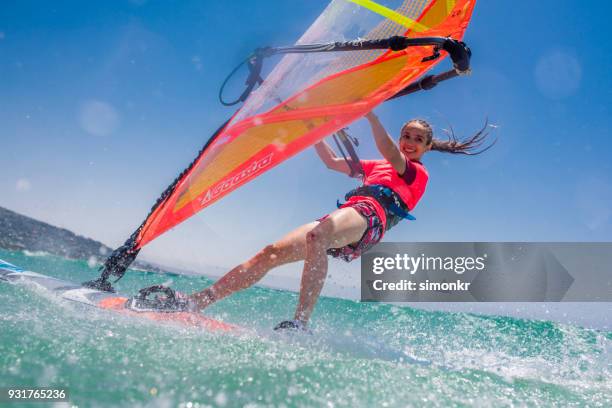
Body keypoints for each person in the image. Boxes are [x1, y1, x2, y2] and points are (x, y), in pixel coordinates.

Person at [185, 111, 493, 331]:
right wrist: (314, 130)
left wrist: (370, 115)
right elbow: (331, 162)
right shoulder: (378, 165)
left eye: (418, 139)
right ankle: (196, 301)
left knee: (317, 237)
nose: (410, 142)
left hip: (371, 218)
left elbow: (388, 149)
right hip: (348, 212)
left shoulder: (415, 171)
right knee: (271, 252)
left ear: (427, 147)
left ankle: (299, 324)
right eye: (406, 136)